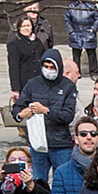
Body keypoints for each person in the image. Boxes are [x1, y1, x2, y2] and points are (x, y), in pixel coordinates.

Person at [16, 49, 79, 185]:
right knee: (38, 181)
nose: (49, 70)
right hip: (38, 144)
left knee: (62, 182)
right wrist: (21, 114)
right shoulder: (33, 84)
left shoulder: (68, 86)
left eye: (52, 67)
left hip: (60, 144)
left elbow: (68, 115)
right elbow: (17, 108)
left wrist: (46, 111)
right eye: (46, 67)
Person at [6, 15, 47, 101]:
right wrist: (15, 88)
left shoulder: (37, 42)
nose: (26, 28)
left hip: (39, 80)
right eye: (23, 26)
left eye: (28, 26)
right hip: (24, 82)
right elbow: (14, 67)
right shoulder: (14, 44)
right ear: (19, 28)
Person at [64, 0, 98, 76]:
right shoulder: (72, 5)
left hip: (88, 31)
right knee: (76, 55)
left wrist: (93, 29)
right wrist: (71, 31)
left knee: (91, 54)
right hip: (76, 32)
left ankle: (93, 73)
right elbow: (67, 19)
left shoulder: (91, 5)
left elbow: (97, 18)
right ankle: (77, 73)